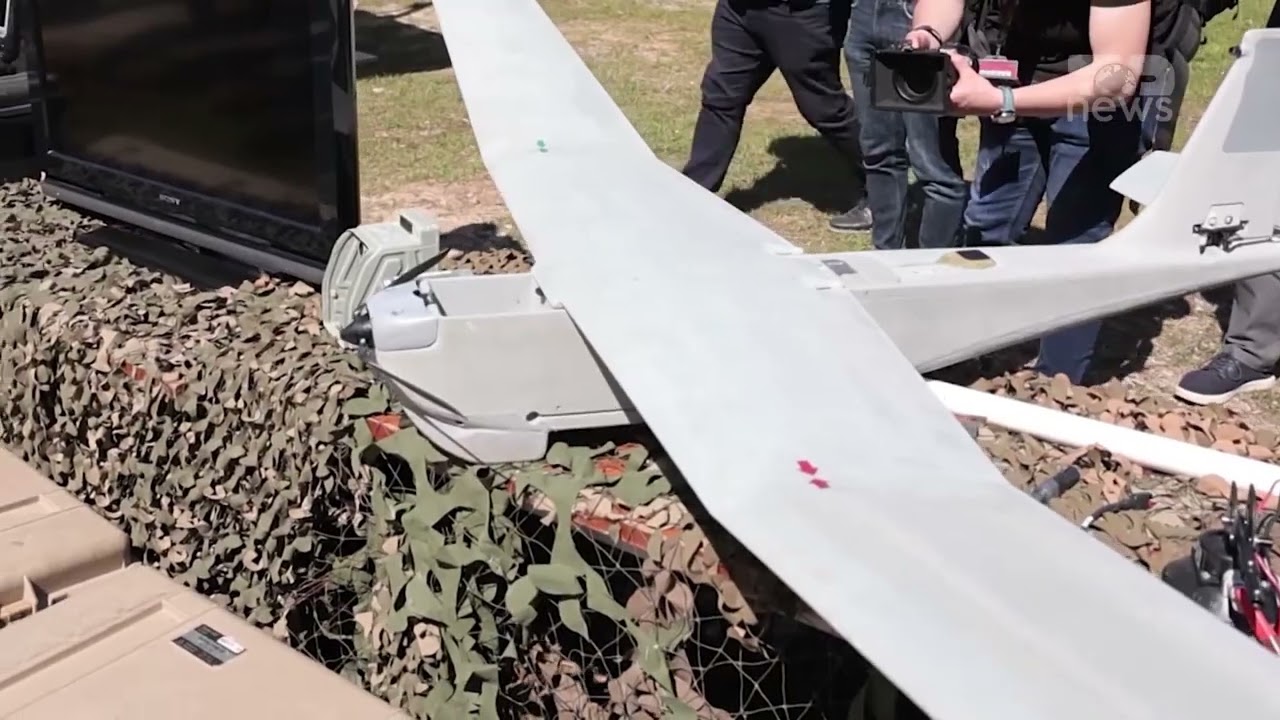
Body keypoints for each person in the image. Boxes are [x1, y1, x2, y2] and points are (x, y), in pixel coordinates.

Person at [905, 0, 1177, 384]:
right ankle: (961, 355)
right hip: (1015, 72)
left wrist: (1003, 102)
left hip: (1096, 97)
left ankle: (1057, 386)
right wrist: (928, 34)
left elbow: (1117, 75)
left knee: (1076, 246)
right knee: (988, 225)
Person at [683, 0, 873, 231]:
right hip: (738, 10)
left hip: (801, 13)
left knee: (825, 108)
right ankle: (692, 193)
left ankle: (885, 187)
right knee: (721, 97)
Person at [842, 2, 966, 249]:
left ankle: (934, 264)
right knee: (879, 153)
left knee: (933, 165)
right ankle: (886, 255)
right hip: (863, 16)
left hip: (922, 13)